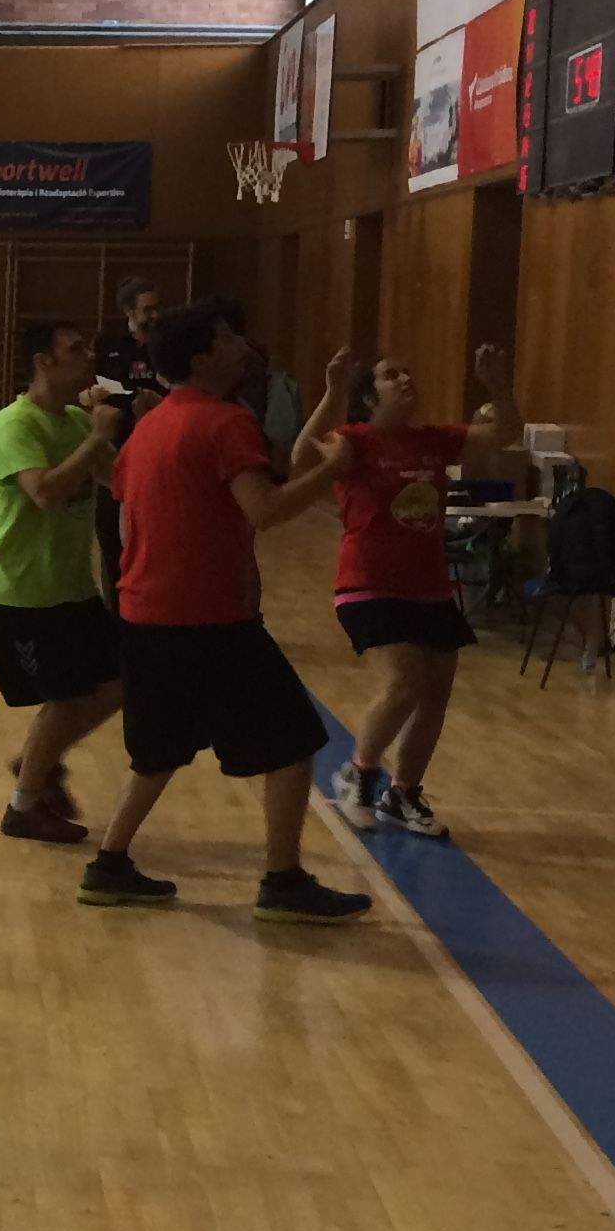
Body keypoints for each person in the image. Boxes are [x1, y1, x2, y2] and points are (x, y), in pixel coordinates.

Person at [78, 308, 369, 923]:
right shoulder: (226, 421)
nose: (242, 345)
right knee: (295, 741)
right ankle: (283, 881)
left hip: (144, 612)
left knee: (158, 750)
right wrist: (337, 471)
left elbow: (126, 520)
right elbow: (264, 509)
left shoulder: (148, 430)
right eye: (230, 336)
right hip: (209, 619)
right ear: (204, 356)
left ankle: (108, 866)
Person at [300, 344, 516, 839]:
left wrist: (499, 386)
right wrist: (332, 393)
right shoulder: (354, 439)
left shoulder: (433, 440)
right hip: (368, 584)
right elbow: (297, 456)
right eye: (389, 375)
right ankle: (357, 774)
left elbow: (505, 432)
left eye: (407, 372)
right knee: (403, 681)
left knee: (435, 691)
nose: (404, 380)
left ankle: (402, 794)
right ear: (368, 398)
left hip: (429, 588)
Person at [0, 320, 129, 846]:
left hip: (73, 588)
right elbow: (43, 491)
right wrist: (96, 437)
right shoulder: (14, 424)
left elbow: (121, 479)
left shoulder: (71, 419)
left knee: (116, 683)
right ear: (43, 362)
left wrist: (149, 427)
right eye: (74, 349)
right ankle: (22, 806)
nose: (88, 355)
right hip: (24, 592)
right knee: (66, 698)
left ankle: (35, 763)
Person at [91, 275, 161, 596]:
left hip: (158, 448)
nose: (154, 316)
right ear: (128, 311)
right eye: (147, 309)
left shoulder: (167, 340)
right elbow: (101, 385)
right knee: (110, 532)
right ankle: (115, 606)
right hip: (117, 447)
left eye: (157, 308)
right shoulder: (109, 340)